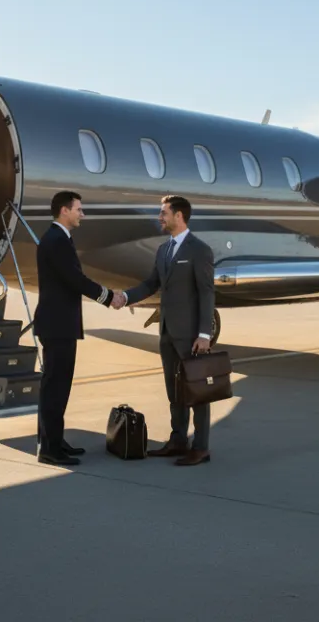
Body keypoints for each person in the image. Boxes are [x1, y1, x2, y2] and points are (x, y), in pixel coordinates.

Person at [116, 195, 215, 466]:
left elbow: (207, 293)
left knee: (196, 391)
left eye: (164, 213)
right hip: (167, 333)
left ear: (179, 216)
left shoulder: (199, 250)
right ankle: (178, 440)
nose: (160, 217)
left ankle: (202, 446)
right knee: (174, 389)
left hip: (192, 336)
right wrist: (125, 297)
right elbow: (151, 284)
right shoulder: (163, 250)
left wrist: (204, 334)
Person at [33, 190, 117, 466]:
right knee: (55, 388)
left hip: (58, 324)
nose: (82, 214)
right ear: (64, 211)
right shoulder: (57, 240)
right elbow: (75, 279)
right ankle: (49, 449)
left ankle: (53, 440)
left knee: (56, 387)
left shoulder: (58, 238)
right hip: (58, 326)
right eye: (79, 209)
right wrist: (107, 296)